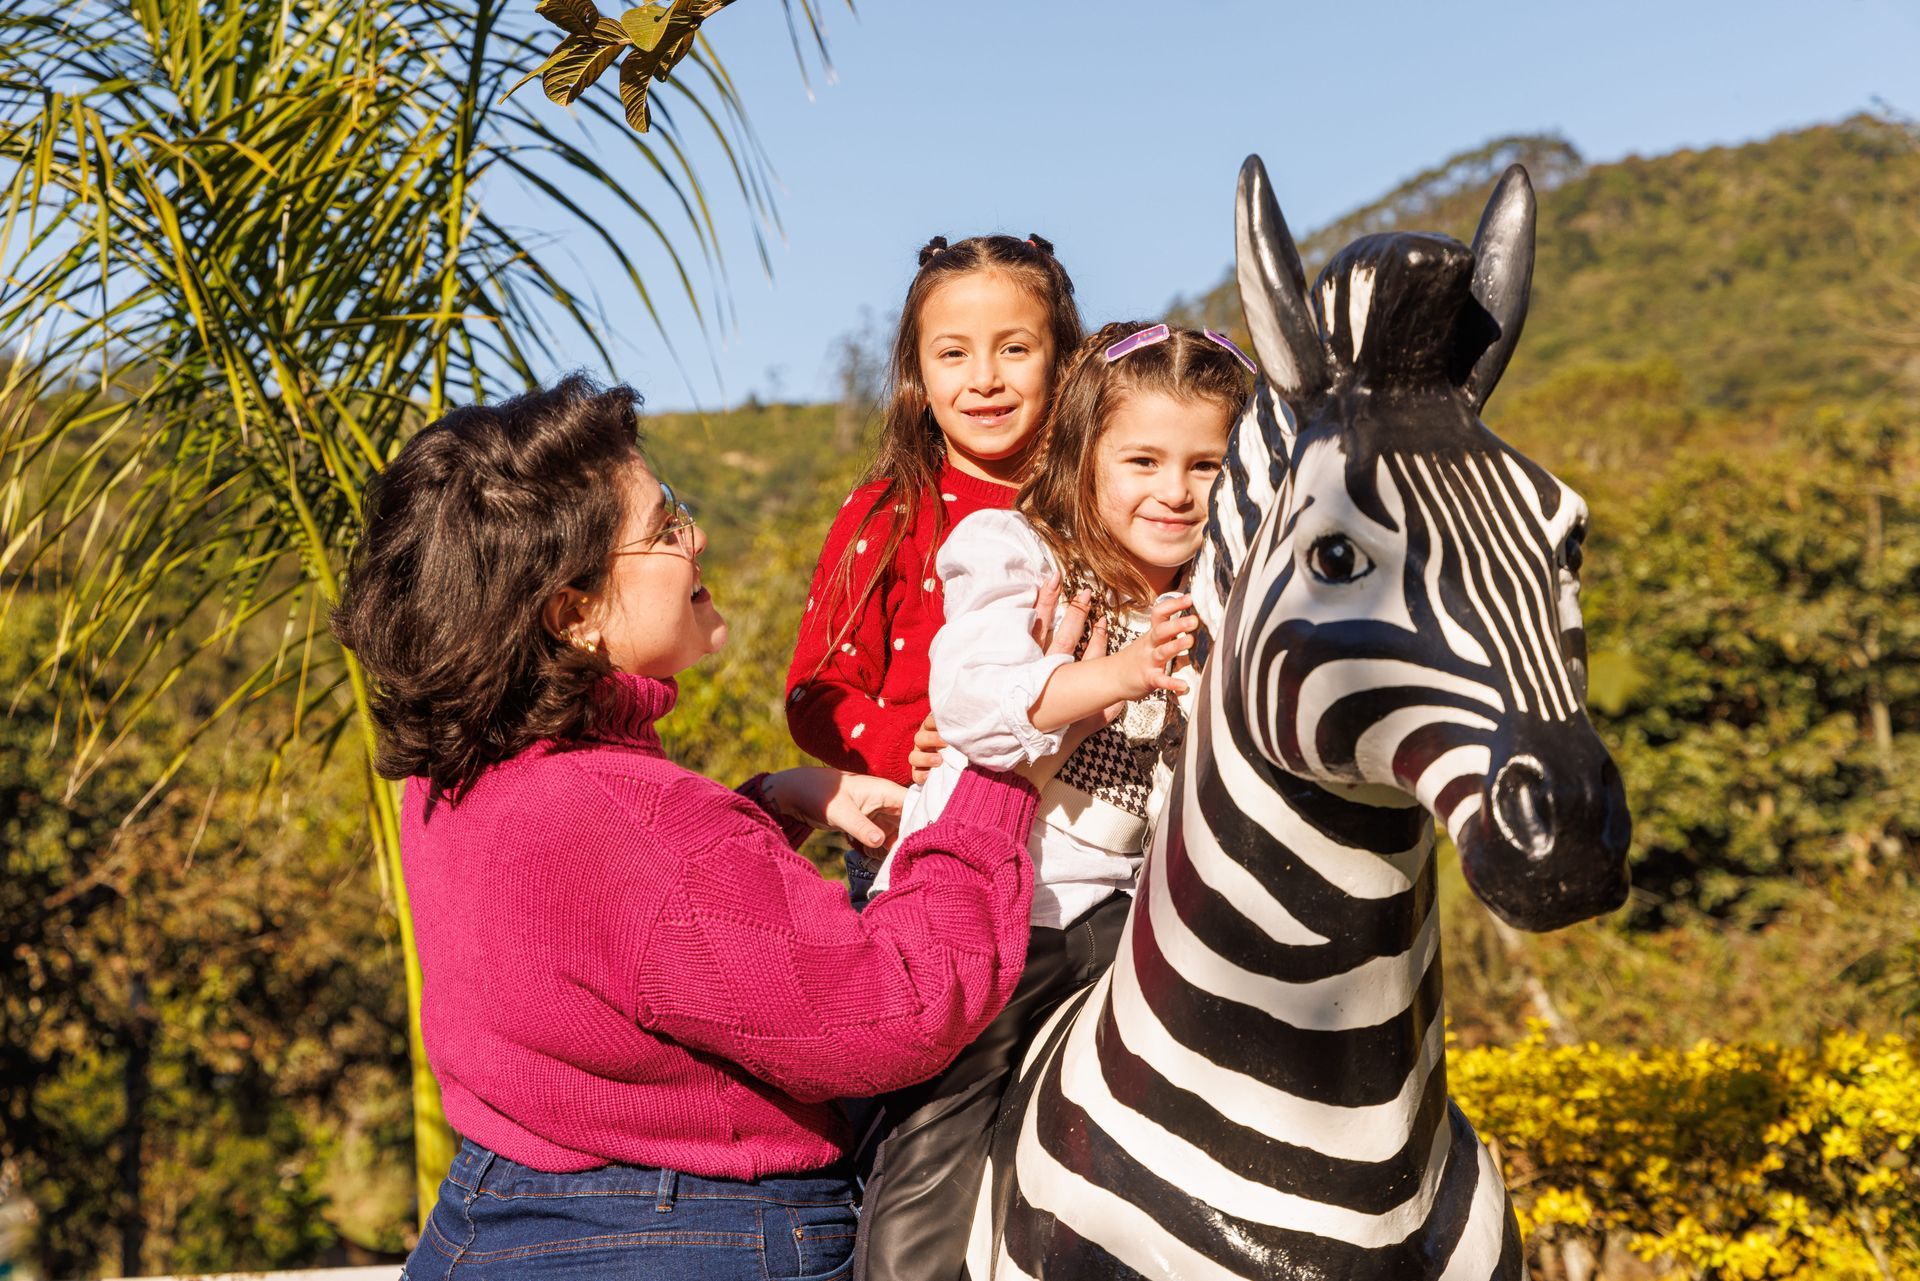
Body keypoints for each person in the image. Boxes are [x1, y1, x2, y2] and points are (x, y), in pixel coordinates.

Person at [331, 375, 1047, 1281]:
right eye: (664, 525)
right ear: (575, 614)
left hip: (490, 1210)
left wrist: (775, 801)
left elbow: (595, 924)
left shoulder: (457, 770)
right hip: (685, 1234)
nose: (695, 535)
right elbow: (899, 1005)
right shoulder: (640, 826)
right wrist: (1000, 760)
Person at [854, 321, 1256, 1281]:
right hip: (1010, 911)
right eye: (1143, 460)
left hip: (1140, 918)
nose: (1175, 491)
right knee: (937, 1139)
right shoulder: (1021, 553)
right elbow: (978, 704)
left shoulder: (1222, 598)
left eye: (1206, 465)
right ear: (1084, 458)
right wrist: (1117, 672)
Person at [786, 234, 1083, 907]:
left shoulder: (1098, 512)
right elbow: (814, 692)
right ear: (917, 376)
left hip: (1083, 865)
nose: (984, 378)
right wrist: (902, 744)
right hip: (915, 854)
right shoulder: (885, 516)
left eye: (1014, 348)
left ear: (1063, 364)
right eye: (954, 353)